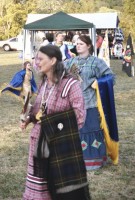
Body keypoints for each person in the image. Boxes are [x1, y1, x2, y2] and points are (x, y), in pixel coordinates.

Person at [20, 45, 90, 199]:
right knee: (40, 188)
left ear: (52, 60)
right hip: (40, 144)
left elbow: (79, 116)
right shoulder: (44, 84)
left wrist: (50, 123)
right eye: (36, 58)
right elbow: (39, 108)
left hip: (60, 146)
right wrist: (29, 118)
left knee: (61, 190)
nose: (36, 62)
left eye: (40, 59)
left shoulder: (71, 85)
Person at [65, 35, 114, 170]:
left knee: (90, 129)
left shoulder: (97, 62)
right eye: (76, 43)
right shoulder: (69, 62)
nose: (78, 45)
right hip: (72, 104)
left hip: (90, 103)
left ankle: (93, 161)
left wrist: (95, 83)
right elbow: (59, 76)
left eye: (81, 43)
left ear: (89, 46)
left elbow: (110, 77)